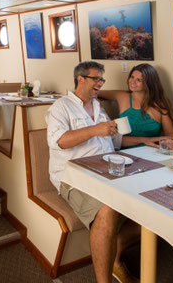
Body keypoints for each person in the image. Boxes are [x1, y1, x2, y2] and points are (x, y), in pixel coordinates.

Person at [46, 61, 138, 283]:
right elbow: (60, 141)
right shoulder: (61, 107)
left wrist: (150, 141)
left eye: (102, 80)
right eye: (96, 79)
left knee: (149, 202)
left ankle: (114, 257)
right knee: (107, 209)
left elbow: (117, 140)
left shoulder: (99, 108)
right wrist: (95, 129)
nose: (100, 83)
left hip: (105, 170)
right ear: (81, 79)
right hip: (72, 176)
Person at [99, 63, 173, 148]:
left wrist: (169, 144)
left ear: (149, 83)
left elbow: (170, 134)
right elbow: (94, 93)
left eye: (139, 80)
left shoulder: (160, 104)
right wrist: (96, 102)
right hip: (124, 152)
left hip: (151, 151)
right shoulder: (122, 96)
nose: (132, 82)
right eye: (132, 77)